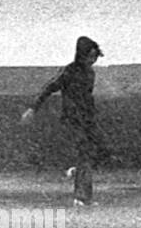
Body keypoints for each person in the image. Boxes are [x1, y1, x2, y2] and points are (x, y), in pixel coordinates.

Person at [22, 36, 103, 206]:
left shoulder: (90, 73)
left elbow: (87, 97)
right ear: (81, 55)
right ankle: (80, 195)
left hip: (86, 119)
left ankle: (82, 191)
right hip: (72, 119)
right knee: (84, 155)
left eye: (95, 57)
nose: (93, 60)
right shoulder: (69, 72)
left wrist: (92, 118)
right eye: (90, 56)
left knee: (86, 156)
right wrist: (33, 108)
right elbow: (48, 88)